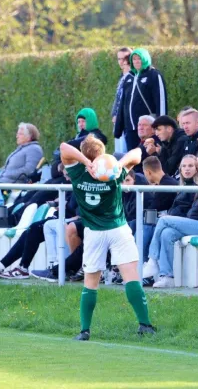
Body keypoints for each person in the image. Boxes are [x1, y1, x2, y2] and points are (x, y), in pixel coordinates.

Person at [60, 135, 155, 339]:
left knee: (90, 282)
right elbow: (137, 154)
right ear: (103, 154)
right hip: (118, 229)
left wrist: (86, 163)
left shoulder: (77, 172)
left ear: (84, 154)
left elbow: (64, 148)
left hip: (94, 233)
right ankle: (144, 324)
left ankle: (85, 330)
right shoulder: (115, 174)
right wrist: (118, 164)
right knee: (131, 277)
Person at [143, 149, 198, 288]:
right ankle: (167, 277)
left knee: (163, 220)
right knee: (167, 233)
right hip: (197, 222)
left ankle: (152, 260)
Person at [114, 48, 168, 151]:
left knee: (146, 157)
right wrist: (118, 128)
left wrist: (161, 126)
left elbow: (161, 101)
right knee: (132, 159)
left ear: (145, 59)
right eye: (134, 59)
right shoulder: (129, 77)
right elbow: (122, 104)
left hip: (147, 128)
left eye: (139, 58)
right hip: (130, 129)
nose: (137, 61)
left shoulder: (154, 75)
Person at [111, 47, 133, 154]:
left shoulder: (134, 76)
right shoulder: (122, 77)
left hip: (128, 121)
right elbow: (118, 98)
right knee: (119, 153)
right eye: (119, 59)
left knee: (126, 153)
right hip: (118, 121)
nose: (122, 62)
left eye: (125, 58)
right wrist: (114, 114)